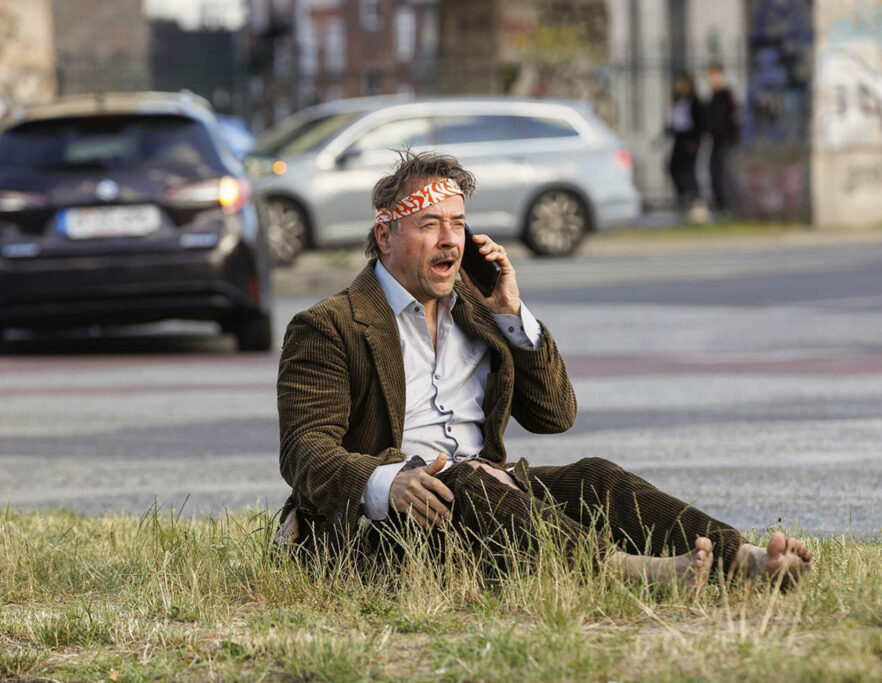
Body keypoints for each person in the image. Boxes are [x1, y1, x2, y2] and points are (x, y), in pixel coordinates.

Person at [275, 151, 812, 588]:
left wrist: (512, 316)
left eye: (458, 224)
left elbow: (556, 414)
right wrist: (390, 483)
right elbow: (304, 452)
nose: (450, 240)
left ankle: (739, 558)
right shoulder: (329, 325)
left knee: (595, 477)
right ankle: (619, 573)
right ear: (386, 236)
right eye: (430, 224)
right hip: (392, 522)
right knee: (463, 479)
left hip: (491, 495)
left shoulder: (481, 306)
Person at [666, 73, 705, 209]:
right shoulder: (677, 101)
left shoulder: (694, 102)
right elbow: (673, 121)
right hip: (679, 138)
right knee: (673, 168)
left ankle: (694, 198)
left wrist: (694, 140)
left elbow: (699, 123)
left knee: (689, 170)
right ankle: (683, 196)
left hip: (689, 140)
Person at [705, 63, 739, 212]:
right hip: (716, 140)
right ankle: (720, 203)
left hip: (726, 140)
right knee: (714, 171)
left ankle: (725, 204)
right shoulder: (714, 95)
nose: (711, 79)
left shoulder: (726, 95)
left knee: (722, 172)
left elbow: (729, 119)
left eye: (713, 75)